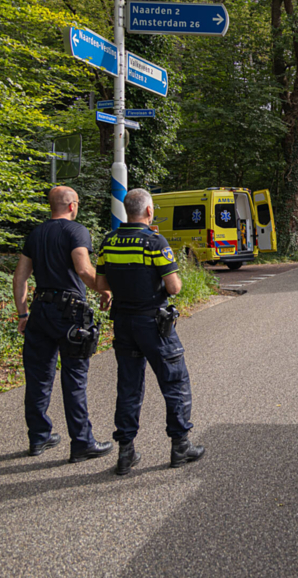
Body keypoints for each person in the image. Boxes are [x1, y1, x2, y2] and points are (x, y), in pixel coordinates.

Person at [96, 189, 204, 475]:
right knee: (175, 382)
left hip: (123, 323)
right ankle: (180, 446)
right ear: (148, 212)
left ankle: (125, 453)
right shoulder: (154, 242)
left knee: (129, 387)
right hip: (154, 325)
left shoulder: (109, 242)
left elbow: (101, 282)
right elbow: (174, 287)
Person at [13, 186, 113, 462]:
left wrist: (23, 314)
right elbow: (83, 269)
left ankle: (38, 438)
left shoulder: (35, 233)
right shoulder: (76, 231)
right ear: (72, 206)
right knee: (74, 379)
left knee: (38, 377)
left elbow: (20, 277)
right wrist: (103, 288)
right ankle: (82, 442)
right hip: (69, 314)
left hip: (39, 311)